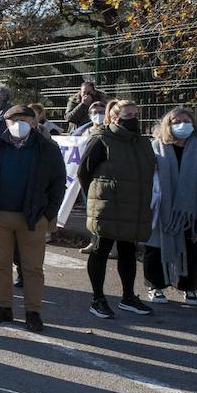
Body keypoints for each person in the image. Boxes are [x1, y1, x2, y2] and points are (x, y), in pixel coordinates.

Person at [0, 105, 67, 332]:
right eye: (13, 119)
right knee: (1, 265)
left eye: (24, 119)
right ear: (5, 122)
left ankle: (33, 312)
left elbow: (58, 183)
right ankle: (3, 307)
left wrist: (48, 214)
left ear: (34, 122)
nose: (19, 123)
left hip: (33, 218)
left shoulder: (47, 148)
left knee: (32, 268)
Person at [79, 100, 156, 319]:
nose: (132, 118)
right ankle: (98, 299)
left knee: (128, 251)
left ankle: (128, 297)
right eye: (127, 115)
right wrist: (96, 200)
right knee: (101, 250)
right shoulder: (101, 140)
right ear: (114, 118)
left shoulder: (142, 142)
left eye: (135, 114)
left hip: (134, 207)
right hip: (107, 207)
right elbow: (84, 173)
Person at [144, 107, 197, 306]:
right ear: (167, 125)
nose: (182, 125)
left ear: (193, 124)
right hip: (163, 208)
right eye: (176, 121)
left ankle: (189, 288)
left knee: (192, 248)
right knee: (156, 246)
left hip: (192, 210)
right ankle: (156, 285)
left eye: (186, 121)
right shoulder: (156, 147)